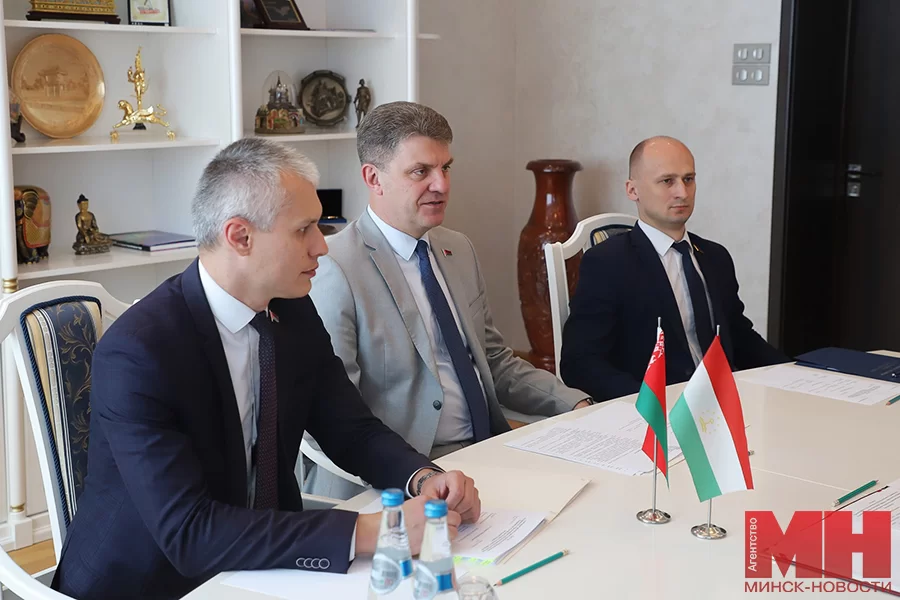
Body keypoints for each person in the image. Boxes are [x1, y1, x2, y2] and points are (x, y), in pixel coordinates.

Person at [52, 138, 481, 600]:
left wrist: (424, 478)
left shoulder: (291, 309)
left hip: (269, 566)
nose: (322, 246)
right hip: (152, 583)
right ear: (240, 237)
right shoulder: (140, 351)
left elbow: (351, 430)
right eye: (304, 230)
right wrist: (372, 531)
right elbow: (189, 533)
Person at [306, 101, 591, 500]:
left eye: (446, 168)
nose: (441, 185)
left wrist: (578, 405)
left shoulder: (457, 249)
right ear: (373, 178)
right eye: (420, 171)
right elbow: (332, 417)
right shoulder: (334, 267)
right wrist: (418, 476)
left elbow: (496, 362)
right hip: (400, 477)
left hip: (487, 451)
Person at [560, 136, 789, 402]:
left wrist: (792, 372)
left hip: (724, 402)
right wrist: (651, 403)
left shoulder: (715, 257)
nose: (682, 192)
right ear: (633, 190)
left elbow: (740, 337)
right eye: (667, 181)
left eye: (688, 179)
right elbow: (580, 363)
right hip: (655, 411)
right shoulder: (607, 263)